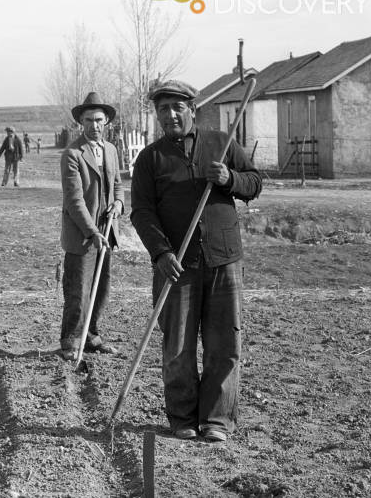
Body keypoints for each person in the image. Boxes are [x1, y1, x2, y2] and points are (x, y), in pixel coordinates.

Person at [130, 79, 262, 443]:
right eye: (162, 109)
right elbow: (141, 212)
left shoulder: (221, 143)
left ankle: (217, 420)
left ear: (192, 109)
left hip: (223, 260)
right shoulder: (150, 158)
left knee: (224, 343)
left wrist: (230, 178)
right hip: (176, 266)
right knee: (178, 346)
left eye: (176, 107)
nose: (170, 115)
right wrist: (161, 252)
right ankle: (183, 417)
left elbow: (254, 183)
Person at [59, 92, 125, 360]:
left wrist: (119, 204)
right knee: (78, 289)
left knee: (102, 287)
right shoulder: (72, 154)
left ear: (106, 121)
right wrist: (92, 231)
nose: (94, 126)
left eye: (99, 120)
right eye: (88, 120)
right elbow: (74, 201)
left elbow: (118, 184)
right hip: (83, 234)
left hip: (108, 230)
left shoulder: (110, 150)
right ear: (80, 123)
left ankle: (92, 335)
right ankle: (71, 341)